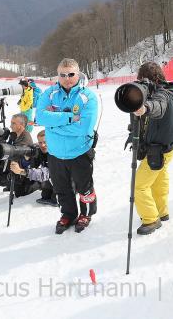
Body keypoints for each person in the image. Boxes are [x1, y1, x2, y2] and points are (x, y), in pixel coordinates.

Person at [35, 58, 99, 234]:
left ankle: (86, 214)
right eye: (62, 75)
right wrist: (69, 117)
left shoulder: (88, 97)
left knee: (84, 187)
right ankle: (68, 214)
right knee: (61, 188)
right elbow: (40, 118)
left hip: (79, 152)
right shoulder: (49, 94)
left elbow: (85, 127)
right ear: (58, 75)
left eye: (71, 74)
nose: (67, 78)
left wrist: (54, 126)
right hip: (55, 153)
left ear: (78, 74)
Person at [129, 62, 173, 235]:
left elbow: (158, 106)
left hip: (159, 150)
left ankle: (151, 219)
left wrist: (145, 108)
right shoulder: (168, 91)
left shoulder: (161, 95)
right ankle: (162, 211)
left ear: (152, 80)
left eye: (142, 81)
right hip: (168, 147)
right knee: (159, 179)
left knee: (140, 186)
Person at [0, 113, 38, 197]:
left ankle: (38, 184)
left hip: (21, 175)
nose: (10, 126)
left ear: (21, 125)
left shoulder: (26, 137)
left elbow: (12, 153)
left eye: (13, 123)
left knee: (20, 193)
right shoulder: (13, 135)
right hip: (11, 171)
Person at [33, 130, 58, 206]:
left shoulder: (57, 152)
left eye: (45, 142)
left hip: (66, 180)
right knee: (45, 196)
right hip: (51, 177)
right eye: (40, 142)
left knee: (56, 199)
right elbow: (34, 166)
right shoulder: (40, 152)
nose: (42, 145)